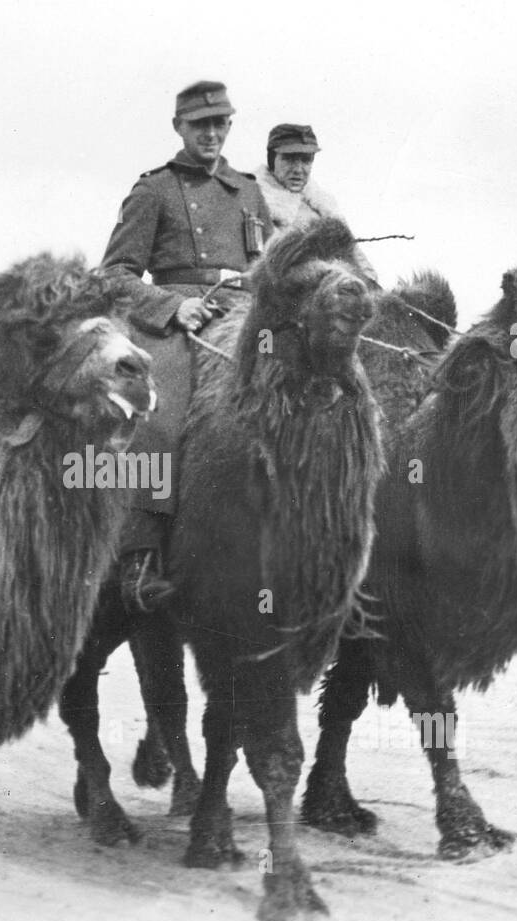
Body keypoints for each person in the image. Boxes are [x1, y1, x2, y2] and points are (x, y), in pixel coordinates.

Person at [100, 80, 272, 611]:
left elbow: (266, 268)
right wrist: (173, 308)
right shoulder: (154, 190)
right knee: (159, 415)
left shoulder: (248, 191)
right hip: (174, 320)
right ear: (180, 127)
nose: (212, 134)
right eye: (201, 125)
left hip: (244, 315)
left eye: (221, 123)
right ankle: (141, 556)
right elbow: (114, 275)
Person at [254, 123, 377, 281]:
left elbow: (364, 269)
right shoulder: (254, 200)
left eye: (306, 160)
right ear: (272, 159)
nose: (298, 169)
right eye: (289, 159)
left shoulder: (324, 208)